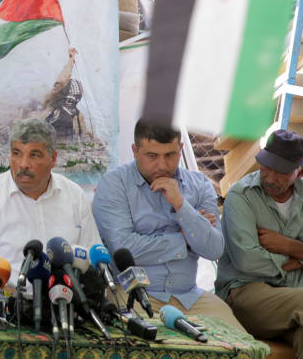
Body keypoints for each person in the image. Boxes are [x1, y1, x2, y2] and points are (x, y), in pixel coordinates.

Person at [216, 129, 303, 358]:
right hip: (247, 295)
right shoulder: (241, 195)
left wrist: (290, 246)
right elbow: (247, 261)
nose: (269, 177)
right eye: (266, 166)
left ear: (301, 172)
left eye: (280, 171)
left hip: (297, 300)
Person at [92, 120, 242, 328]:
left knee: (241, 346)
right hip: (132, 295)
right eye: (152, 156)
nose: (162, 165)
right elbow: (123, 250)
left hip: (189, 297)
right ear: (135, 151)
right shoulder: (114, 185)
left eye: (170, 155)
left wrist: (181, 206)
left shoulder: (200, 185)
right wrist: (185, 238)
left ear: (181, 150)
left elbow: (214, 249)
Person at [0, 118, 100, 305]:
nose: (23, 164)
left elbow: (91, 259)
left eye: (34, 155)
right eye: (17, 153)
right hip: (9, 309)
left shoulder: (74, 195)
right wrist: (4, 305)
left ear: (53, 159)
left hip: (66, 306)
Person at [44, 47, 84, 141]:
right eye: (72, 96)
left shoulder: (77, 115)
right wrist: (71, 60)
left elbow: (83, 134)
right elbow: (61, 81)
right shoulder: (52, 109)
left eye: (77, 97)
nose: (74, 99)